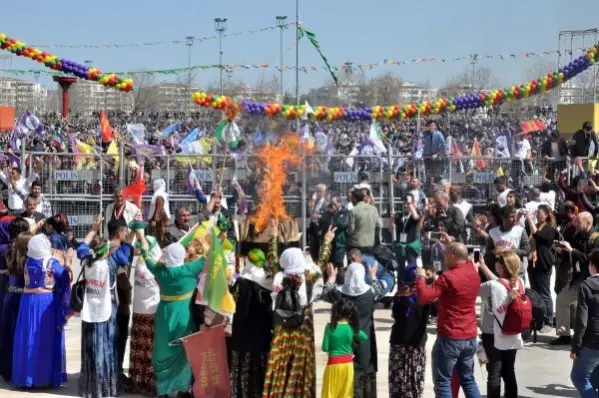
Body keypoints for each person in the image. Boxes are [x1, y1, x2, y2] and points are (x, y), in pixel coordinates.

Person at [262, 224, 332, 398]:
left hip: (281, 324)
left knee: (281, 359)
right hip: (303, 324)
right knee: (301, 361)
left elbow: (271, 256)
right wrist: (327, 242)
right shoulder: (309, 274)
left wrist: (273, 236)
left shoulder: (278, 275)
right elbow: (322, 262)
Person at [137, 232, 204, 398]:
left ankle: (164, 390)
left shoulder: (161, 271)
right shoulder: (190, 269)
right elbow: (207, 258)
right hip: (184, 316)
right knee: (184, 348)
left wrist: (144, 249)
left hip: (165, 316)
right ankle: (183, 388)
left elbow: (148, 260)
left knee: (163, 349)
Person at [415, 242, 481, 398]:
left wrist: (420, 278)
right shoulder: (473, 271)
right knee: (468, 379)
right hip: (470, 335)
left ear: (452, 254)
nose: (443, 258)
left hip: (451, 336)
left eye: (445, 254)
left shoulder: (448, 277)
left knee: (443, 382)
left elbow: (424, 297)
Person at [78, 216, 134, 398]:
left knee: (90, 349)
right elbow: (125, 256)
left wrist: (94, 229)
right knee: (106, 348)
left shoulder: (88, 261)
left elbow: (81, 248)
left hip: (89, 310)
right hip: (107, 311)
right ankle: (105, 388)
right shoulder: (111, 262)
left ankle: (90, 388)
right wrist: (128, 242)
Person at [12, 234, 73, 388]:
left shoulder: (29, 260)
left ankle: (27, 377)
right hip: (45, 303)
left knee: (29, 337)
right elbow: (64, 277)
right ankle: (43, 377)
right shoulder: (50, 262)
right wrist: (66, 262)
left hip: (27, 302)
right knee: (44, 339)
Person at [321, 262, 383, 398]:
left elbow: (325, 292)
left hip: (342, 344)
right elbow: (380, 291)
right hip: (363, 340)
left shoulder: (339, 294)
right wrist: (373, 275)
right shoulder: (369, 294)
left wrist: (331, 277)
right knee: (362, 372)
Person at [477, 251, 525, 398]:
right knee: (509, 370)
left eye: (497, 260)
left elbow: (474, 289)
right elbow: (500, 283)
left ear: (502, 267)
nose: (495, 262)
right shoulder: (519, 282)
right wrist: (483, 266)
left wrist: (474, 270)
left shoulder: (491, 285)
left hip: (492, 334)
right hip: (513, 333)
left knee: (494, 372)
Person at [229, 248, 274, 398]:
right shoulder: (269, 281)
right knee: (259, 371)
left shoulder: (241, 282)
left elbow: (233, 305)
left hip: (243, 336)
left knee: (243, 371)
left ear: (248, 261)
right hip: (262, 335)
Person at [552, 212, 599, 345]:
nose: (575, 223)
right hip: (580, 278)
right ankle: (564, 334)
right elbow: (574, 256)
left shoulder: (596, 238)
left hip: (593, 280)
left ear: (588, 223)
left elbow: (591, 259)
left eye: (578, 221)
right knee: (562, 299)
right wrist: (562, 252)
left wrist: (572, 250)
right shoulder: (578, 235)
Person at [388, 264, 430, 398]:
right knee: (414, 381)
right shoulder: (423, 296)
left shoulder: (399, 296)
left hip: (398, 342)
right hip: (416, 344)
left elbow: (396, 316)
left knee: (398, 381)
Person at [129, 235, 161, 397]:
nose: (141, 246)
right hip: (142, 311)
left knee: (145, 350)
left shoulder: (154, 261)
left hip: (148, 311)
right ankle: (141, 382)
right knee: (143, 350)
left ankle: (145, 383)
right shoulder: (144, 260)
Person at [0, 221, 31, 381]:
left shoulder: (6, 248)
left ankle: (6, 369)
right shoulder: (25, 250)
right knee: (19, 334)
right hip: (21, 297)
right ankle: (18, 370)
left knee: (7, 333)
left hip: (9, 295)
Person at [320, 298, 367, 398]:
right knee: (346, 393)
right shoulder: (351, 328)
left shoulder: (330, 327)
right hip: (348, 365)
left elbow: (325, 348)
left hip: (333, 364)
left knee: (330, 392)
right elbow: (364, 337)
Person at [570, 250, 599, 397]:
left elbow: (581, 321)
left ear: (592, 266)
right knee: (595, 378)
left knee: (579, 377)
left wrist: (575, 346)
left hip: (592, 340)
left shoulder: (586, 286)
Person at [526, 205, 556, 332]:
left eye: (540, 213)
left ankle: (548, 320)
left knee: (544, 293)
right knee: (535, 293)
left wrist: (530, 219)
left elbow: (537, 235)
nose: (537, 215)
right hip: (533, 263)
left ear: (547, 214)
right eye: (536, 212)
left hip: (543, 263)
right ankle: (538, 319)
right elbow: (527, 234)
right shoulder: (534, 225)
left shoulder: (549, 229)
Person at [391, 194, 422, 275]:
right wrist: (391, 220)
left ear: (413, 203)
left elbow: (416, 217)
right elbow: (391, 229)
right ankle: (401, 285)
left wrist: (411, 205)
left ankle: (412, 285)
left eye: (407, 203)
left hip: (410, 245)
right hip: (400, 245)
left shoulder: (415, 213)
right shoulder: (399, 215)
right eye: (404, 203)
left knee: (411, 267)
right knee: (400, 268)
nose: (405, 205)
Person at [347, 188, 381, 254]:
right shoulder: (373, 209)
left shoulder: (353, 211)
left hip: (356, 244)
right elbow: (379, 226)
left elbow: (351, 230)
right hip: (370, 243)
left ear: (354, 198)